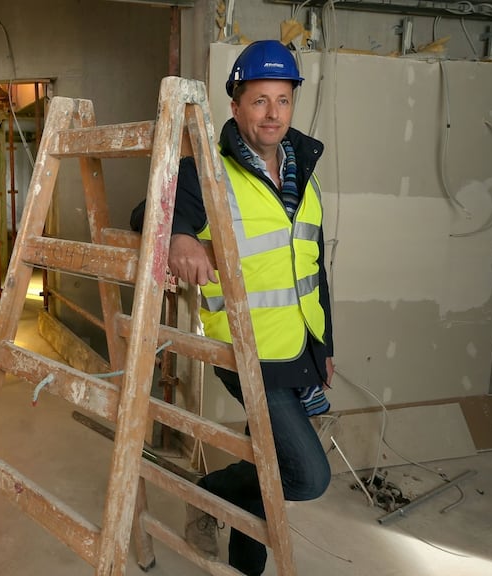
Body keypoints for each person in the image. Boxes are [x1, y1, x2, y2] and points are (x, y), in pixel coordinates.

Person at [130, 40, 333, 575]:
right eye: (260, 100)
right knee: (306, 475)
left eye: (283, 100)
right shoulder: (208, 173)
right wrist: (179, 238)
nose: (273, 114)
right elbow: (145, 208)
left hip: (299, 345)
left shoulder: (304, 174)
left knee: (264, 462)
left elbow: (314, 267)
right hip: (246, 353)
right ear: (236, 105)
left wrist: (324, 346)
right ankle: (207, 494)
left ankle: (248, 563)